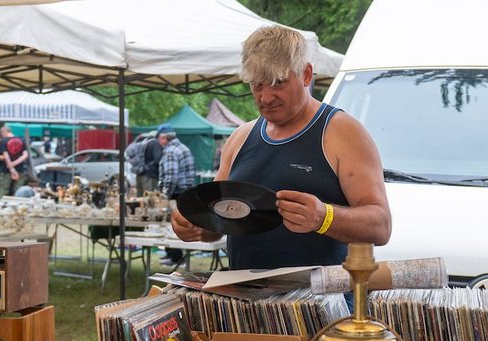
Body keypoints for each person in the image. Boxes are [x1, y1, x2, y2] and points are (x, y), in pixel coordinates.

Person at [171, 25, 391, 272]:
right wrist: (195, 224)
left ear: (306, 74)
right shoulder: (240, 138)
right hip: (245, 302)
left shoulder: (343, 133)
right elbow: (218, 222)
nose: (265, 97)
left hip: (319, 305)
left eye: (277, 83)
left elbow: (380, 226)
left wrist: (324, 216)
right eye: (257, 85)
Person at [157, 124, 196, 266]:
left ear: (163, 138)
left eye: (158, 138)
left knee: (172, 227)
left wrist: (164, 196)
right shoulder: (184, 148)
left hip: (176, 194)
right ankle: (177, 257)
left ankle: (175, 258)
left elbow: (171, 176)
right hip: (187, 193)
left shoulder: (170, 151)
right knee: (183, 226)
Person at [0, 125, 30, 197]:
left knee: (4, 190)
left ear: (4, 132)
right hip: (20, 169)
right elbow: (25, 155)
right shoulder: (22, 140)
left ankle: (1, 206)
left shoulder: (4, 141)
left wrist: (12, 168)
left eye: (2, 134)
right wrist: (15, 163)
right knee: (18, 191)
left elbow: (6, 156)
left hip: (7, 170)